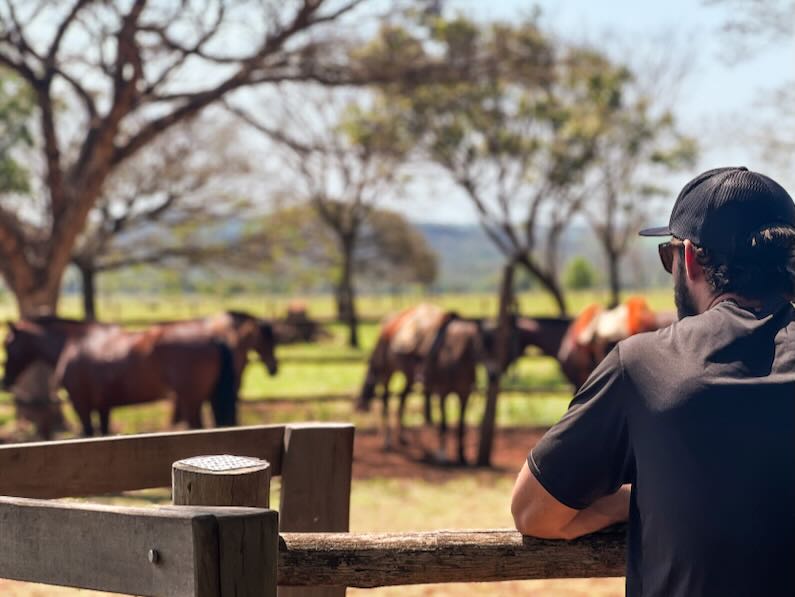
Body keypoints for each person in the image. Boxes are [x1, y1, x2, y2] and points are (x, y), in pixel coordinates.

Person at [510, 167, 795, 596]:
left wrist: (629, 504)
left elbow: (534, 512)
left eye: (669, 255)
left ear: (691, 260)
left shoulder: (643, 366)